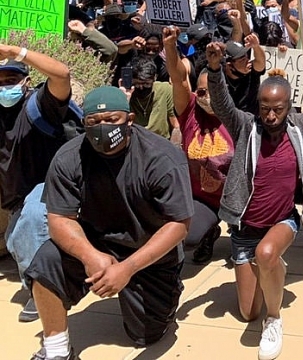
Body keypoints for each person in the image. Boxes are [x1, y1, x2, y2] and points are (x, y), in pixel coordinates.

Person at [205, 42, 303, 360]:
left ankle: (274, 319)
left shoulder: (301, 127)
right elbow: (222, 105)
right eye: (265, 108)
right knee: (247, 312)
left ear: (289, 106)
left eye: (278, 108)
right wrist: (215, 69)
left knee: (267, 253)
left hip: (283, 220)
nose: (271, 115)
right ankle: (271, 269)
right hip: (245, 230)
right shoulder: (246, 127)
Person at [24, 86, 193, 359]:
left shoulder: (161, 157)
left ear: (130, 120)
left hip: (147, 250)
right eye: (94, 122)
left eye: (112, 120)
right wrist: (89, 255)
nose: (102, 127)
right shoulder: (69, 158)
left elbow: (179, 223)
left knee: (144, 336)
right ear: (84, 124)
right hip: (98, 241)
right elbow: (58, 219)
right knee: (46, 260)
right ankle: (56, 350)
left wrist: (128, 268)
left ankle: (165, 293)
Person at [0, 44, 78, 324]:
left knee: (32, 218)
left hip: (50, 189)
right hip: (13, 194)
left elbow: (62, 75)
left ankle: (41, 288)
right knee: (16, 233)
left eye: (11, 80)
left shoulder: (40, 106)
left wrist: (12, 51)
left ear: (26, 83)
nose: (5, 87)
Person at [163, 26, 234, 264]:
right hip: (202, 199)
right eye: (203, 91)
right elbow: (178, 77)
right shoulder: (190, 110)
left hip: (239, 198)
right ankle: (208, 232)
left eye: (214, 90)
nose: (208, 96)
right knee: (186, 237)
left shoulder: (237, 116)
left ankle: (240, 234)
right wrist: (171, 46)